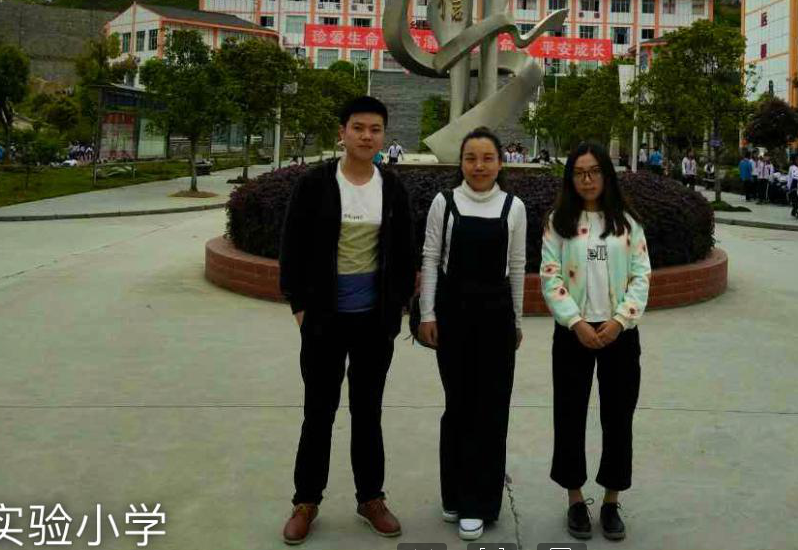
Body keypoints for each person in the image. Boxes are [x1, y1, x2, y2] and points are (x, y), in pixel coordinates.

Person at [278, 96, 417, 545]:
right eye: (358, 127)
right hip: (323, 320)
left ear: (383, 136)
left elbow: (406, 251)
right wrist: (300, 308)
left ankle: (371, 498)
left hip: (373, 323)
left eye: (375, 129)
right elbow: (292, 247)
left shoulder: (392, 187)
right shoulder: (315, 184)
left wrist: (395, 309)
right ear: (342, 133)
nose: (366, 136)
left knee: (368, 412)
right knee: (318, 412)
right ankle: (306, 501)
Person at [416, 127, 527, 542]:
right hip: (453, 316)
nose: (479, 166)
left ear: (500, 163)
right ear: (461, 162)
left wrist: (517, 320)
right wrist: (428, 313)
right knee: (458, 406)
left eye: (487, 158)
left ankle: (479, 504)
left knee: (491, 410)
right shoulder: (444, 202)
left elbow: (517, 266)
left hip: (496, 317)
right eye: (471, 158)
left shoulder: (513, 207)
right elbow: (430, 258)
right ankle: (455, 495)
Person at [541, 141, 651, 543]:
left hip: (619, 334)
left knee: (618, 418)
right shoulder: (558, 222)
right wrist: (575, 322)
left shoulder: (627, 223)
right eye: (579, 173)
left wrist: (620, 321)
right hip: (574, 333)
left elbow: (641, 275)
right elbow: (550, 276)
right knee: (569, 415)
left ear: (606, 175)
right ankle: (574, 498)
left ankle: (610, 500)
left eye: (594, 172)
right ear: (570, 178)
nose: (587, 180)